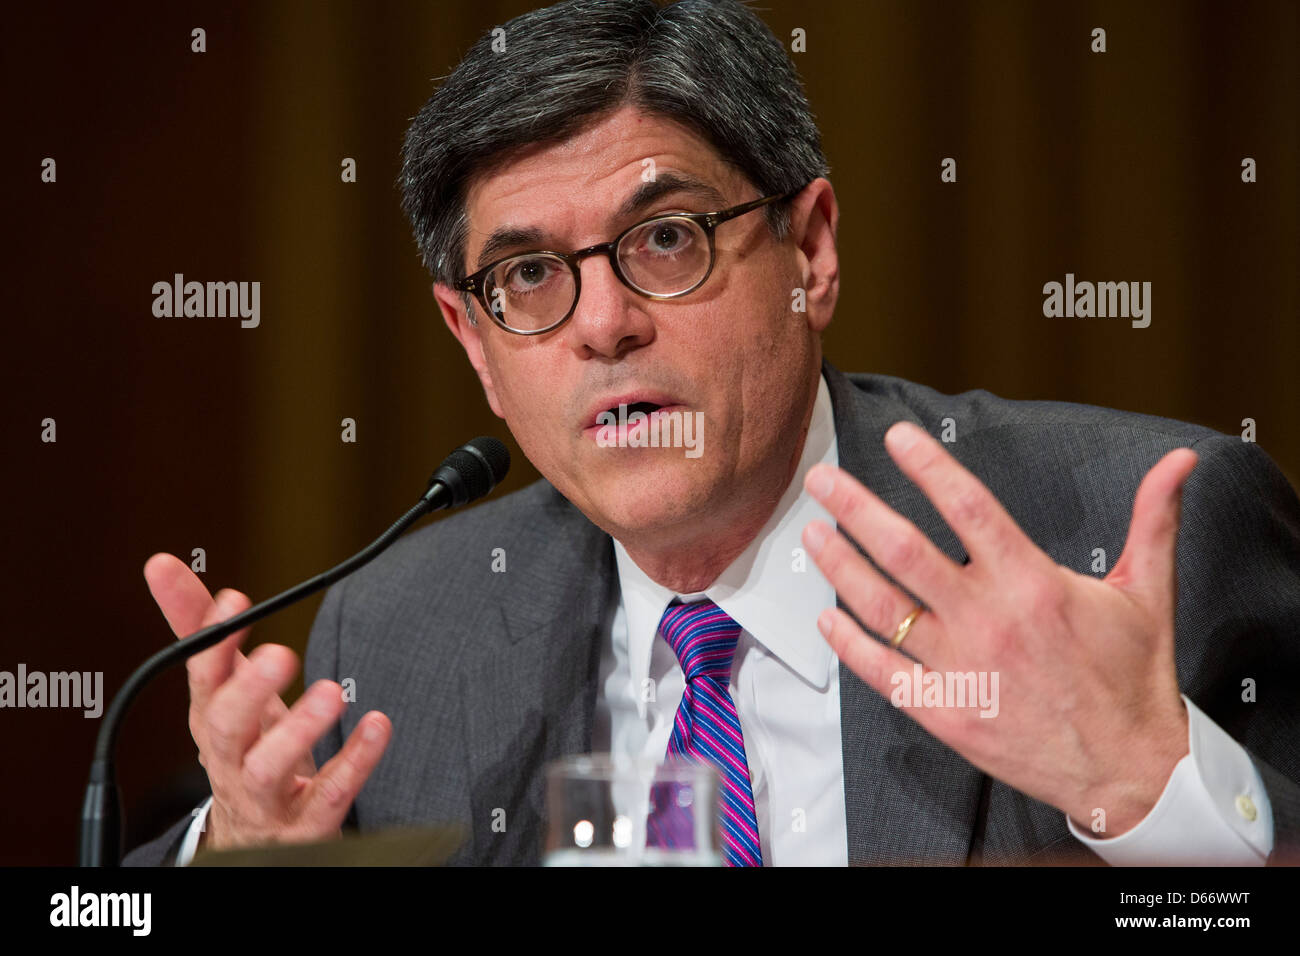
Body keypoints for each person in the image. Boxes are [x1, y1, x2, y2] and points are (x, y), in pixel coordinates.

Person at [123, 0, 1300, 867]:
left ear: (812, 250)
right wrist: (242, 854)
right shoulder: (398, 632)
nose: (604, 325)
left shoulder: (1130, 533)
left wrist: (1154, 796)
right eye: (529, 274)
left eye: (667, 239)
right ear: (473, 342)